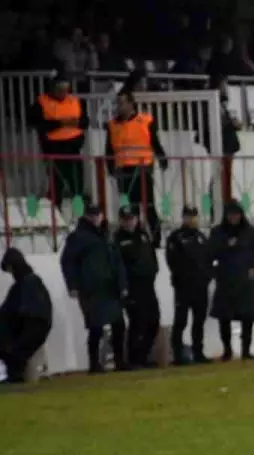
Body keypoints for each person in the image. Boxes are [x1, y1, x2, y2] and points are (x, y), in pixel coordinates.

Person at [61, 204, 129, 373]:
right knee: (95, 326)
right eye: (93, 215)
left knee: (118, 325)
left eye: (98, 214)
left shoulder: (107, 235)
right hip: (91, 289)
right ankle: (94, 363)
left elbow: (118, 262)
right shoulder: (78, 237)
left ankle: (119, 360)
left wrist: (122, 284)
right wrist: (73, 285)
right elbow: (68, 262)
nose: (96, 218)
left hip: (110, 287)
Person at [209, 202, 254, 361]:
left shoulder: (250, 232)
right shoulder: (218, 233)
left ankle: (246, 351)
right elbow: (208, 255)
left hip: (245, 282)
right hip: (225, 281)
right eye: (230, 215)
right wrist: (216, 270)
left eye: (236, 215)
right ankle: (227, 351)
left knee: (247, 317)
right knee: (224, 317)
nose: (234, 218)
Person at [106, 90, 168, 246]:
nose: (119, 106)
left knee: (148, 205)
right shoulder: (112, 125)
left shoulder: (145, 120)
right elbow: (109, 149)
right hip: (122, 171)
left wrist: (162, 158)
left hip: (142, 169)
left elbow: (154, 142)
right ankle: (132, 237)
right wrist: (110, 168)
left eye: (122, 103)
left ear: (131, 104)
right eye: (118, 103)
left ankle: (156, 239)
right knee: (127, 207)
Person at [28, 71, 88, 207]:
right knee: (56, 186)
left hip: (74, 150)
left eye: (65, 89)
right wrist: (59, 123)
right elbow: (35, 123)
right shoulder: (42, 102)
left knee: (77, 186)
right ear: (53, 88)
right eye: (60, 89)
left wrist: (76, 123)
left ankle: (80, 214)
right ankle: (56, 213)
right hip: (53, 151)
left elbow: (85, 121)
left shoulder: (75, 101)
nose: (63, 93)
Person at [113, 205, 160, 368]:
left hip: (148, 286)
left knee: (154, 321)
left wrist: (153, 270)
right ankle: (134, 359)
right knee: (137, 323)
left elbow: (151, 256)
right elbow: (118, 266)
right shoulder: (118, 240)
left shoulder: (143, 235)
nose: (129, 222)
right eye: (125, 219)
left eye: (131, 218)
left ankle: (144, 356)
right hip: (132, 287)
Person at [166, 206, 212, 365]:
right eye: (188, 216)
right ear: (183, 218)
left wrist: (207, 277)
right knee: (181, 321)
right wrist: (181, 278)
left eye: (194, 216)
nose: (192, 219)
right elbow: (172, 261)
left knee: (199, 321)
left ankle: (198, 352)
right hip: (183, 287)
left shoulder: (201, 237)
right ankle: (178, 355)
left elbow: (208, 259)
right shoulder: (176, 237)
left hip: (200, 287)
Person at [0, 248, 53, 383]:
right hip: (34, 327)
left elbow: (12, 312)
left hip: (29, 329)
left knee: (13, 351)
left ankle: (15, 376)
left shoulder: (25, 284)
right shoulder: (30, 282)